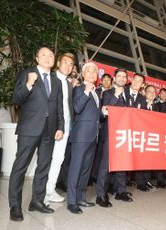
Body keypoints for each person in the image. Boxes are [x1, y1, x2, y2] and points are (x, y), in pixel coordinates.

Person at [9, 47, 64, 221]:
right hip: (29, 129)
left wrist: (60, 127)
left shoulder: (56, 81)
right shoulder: (28, 73)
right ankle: (15, 206)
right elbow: (16, 98)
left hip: (50, 131)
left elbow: (59, 107)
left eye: (51, 55)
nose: (48, 58)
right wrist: (28, 84)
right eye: (44, 55)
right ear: (36, 58)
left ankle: (37, 201)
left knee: (43, 167)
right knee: (20, 167)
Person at [66, 62, 101, 214]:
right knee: (76, 168)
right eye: (89, 71)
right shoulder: (79, 88)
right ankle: (71, 201)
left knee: (86, 170)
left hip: (93, 135)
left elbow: (93, 113)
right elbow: (77, 108)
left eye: (95, 72)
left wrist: (103, 112)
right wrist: (86, 91)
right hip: (81, 135)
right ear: (83, 74)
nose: (92, 74)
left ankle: (81, 198)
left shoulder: (96, 91)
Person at [96, 68, 132, 208]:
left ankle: (120, 191)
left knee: (122, 163)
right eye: (119, 76)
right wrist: (116, 96)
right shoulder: (108, 93)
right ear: (114, 78)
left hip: (123, 135)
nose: (122, 79)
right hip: (110, 134)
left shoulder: (128, 95)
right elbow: (104, 110)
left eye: (124, 76)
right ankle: (100, 194)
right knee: (105, 165)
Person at [45, 53, 74, 204]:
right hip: (50, 126)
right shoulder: (50, 78)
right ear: (58, 63)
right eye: (65, 63)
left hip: (66, 127)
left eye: (71, 64)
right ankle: (41, 191)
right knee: (45, 159)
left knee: (58, 159)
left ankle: (50, 190)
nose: (68, 66)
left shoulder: (69, 84)